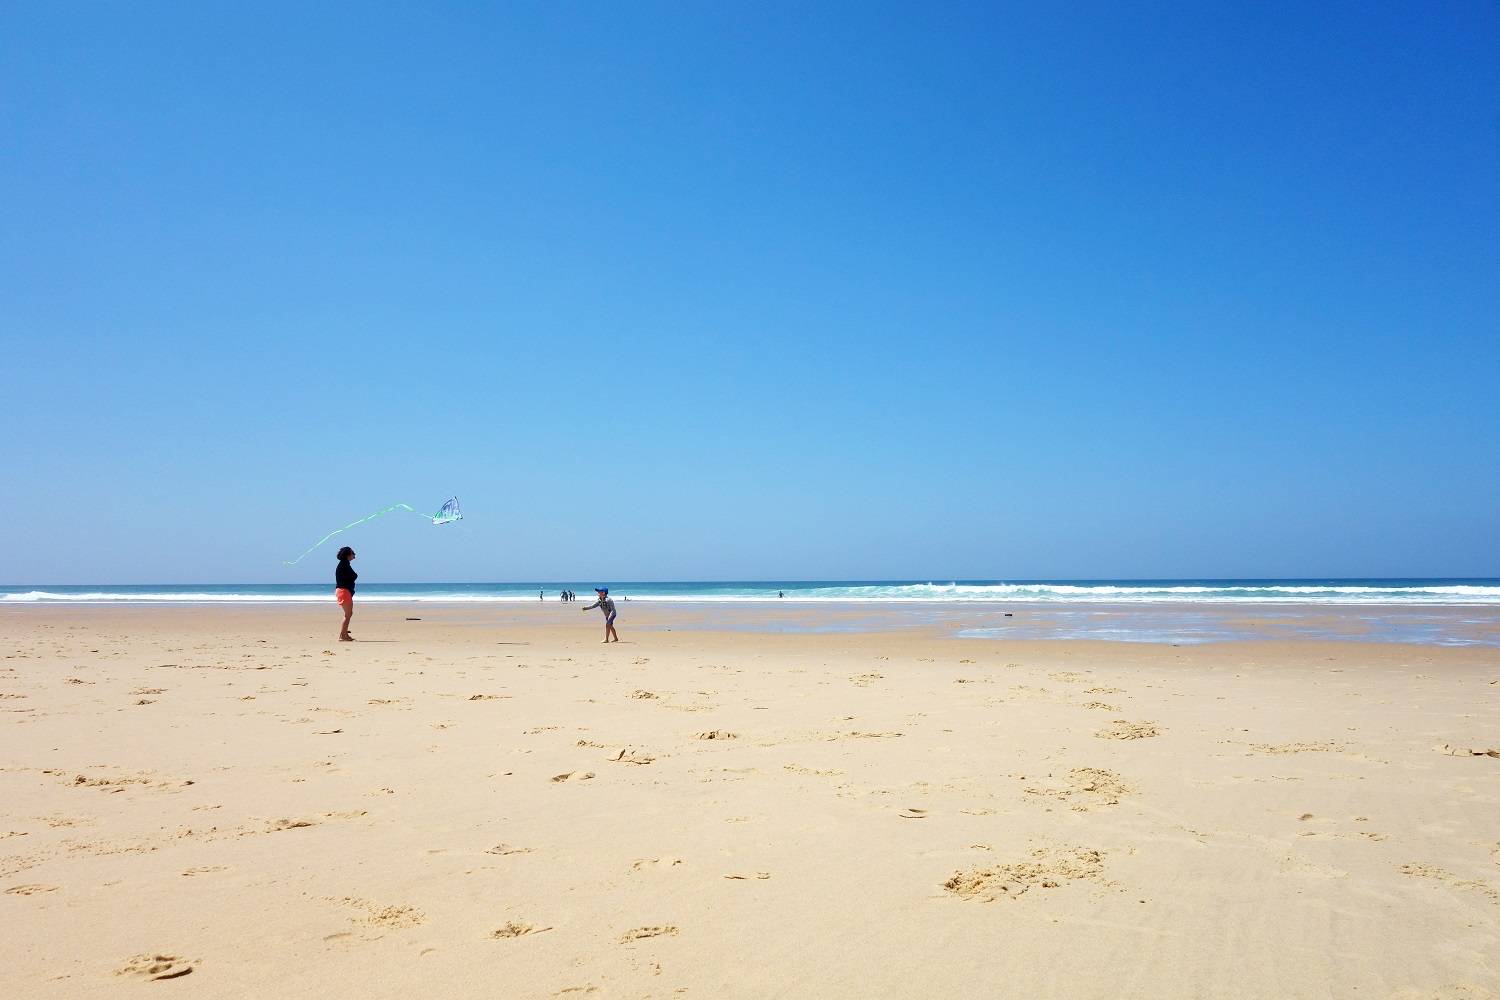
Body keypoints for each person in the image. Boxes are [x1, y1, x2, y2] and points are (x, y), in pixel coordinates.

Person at [335, 546, 357, 641]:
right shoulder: (344, 564)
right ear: (348, 555)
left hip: (343, 591)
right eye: (353, 553)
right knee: (348, 614)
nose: (354, 555)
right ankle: (343, 635)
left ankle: (343, 635)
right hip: (343, 591)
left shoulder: (344, 564)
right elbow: (352, 576)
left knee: (348, 614)